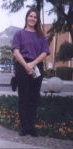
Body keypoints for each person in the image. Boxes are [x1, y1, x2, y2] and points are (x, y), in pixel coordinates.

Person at [11, 7, 50, 137]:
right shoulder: (19, 34)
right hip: (22, 67)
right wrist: (26, 65)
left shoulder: (41, 36)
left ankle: (31, 127)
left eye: (35, 17)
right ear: (27, 17)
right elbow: (16, 51)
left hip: (36, 66)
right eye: (31, 16)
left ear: (37, 20)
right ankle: (24, 127)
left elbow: (45, 52)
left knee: (34, 98)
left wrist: (32, 64)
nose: (32, 18)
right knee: (24, 98)